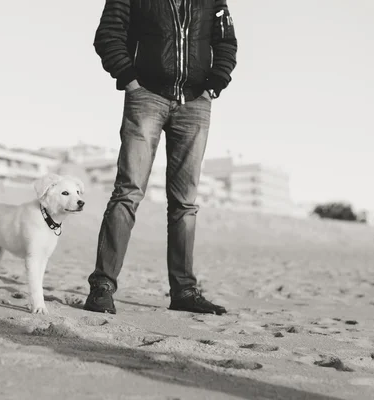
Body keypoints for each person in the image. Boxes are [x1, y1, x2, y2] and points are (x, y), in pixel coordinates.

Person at [83, 0, 238, 315]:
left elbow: (226, 41)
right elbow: (108, 34)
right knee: (128, 192)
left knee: (185, 203)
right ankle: (102, 287)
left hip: (196, 103)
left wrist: (214, 84)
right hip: (146, 97)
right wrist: (129, 79)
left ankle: (184, 292)